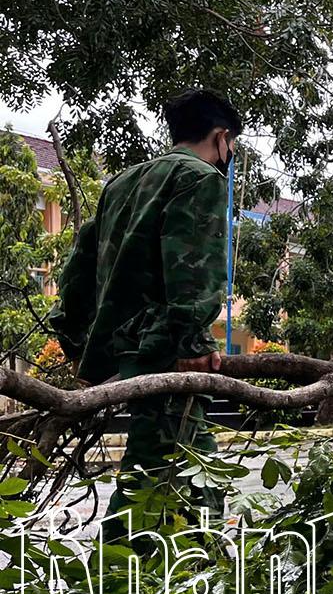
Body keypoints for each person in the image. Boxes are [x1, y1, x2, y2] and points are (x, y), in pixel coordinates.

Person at [47, 89, 240, 528]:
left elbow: (79, 267)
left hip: (123, 351)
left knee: (159, 468)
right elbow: (192, 275)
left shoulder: (122, 182)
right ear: (222, 137)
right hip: (165, 351)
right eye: (232, 148)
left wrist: (78, 344)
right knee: (187, 482)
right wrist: (189, 344)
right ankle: (123, 577)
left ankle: (127, 576)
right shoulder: (200, 177)